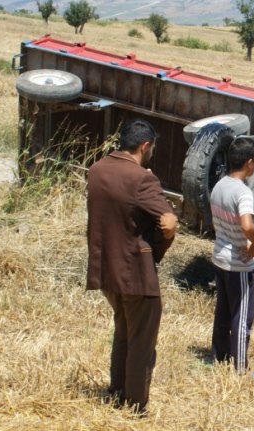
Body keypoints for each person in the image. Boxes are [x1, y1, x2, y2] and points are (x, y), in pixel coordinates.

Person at [87, 118, 178, 415]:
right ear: (145, 146)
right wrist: (154, 252)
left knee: (123, 332)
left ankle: (117, 391)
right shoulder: (142, 178)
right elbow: (168, 222)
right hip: (136, 272)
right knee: (142, 341)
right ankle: (135, 404)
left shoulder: (97, 169)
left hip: (106, 268)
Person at [208, 137, 254, 372]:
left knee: (222, 312)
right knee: (242, 317)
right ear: (249, 162)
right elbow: (248, 224)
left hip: (219, 256)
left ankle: (218, 358)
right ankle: (240, 368)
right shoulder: (243, 193)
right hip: (238, 263)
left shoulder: (220, 185)